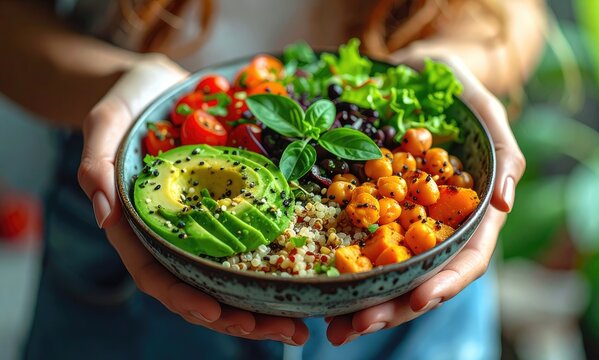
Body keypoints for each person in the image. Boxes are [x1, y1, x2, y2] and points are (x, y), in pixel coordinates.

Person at [0, 0, 544, 358]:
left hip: (415, 289)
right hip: (124, 207)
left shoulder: (398, 195)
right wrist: (115, 82)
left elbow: (513, 16)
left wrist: (451, 63)